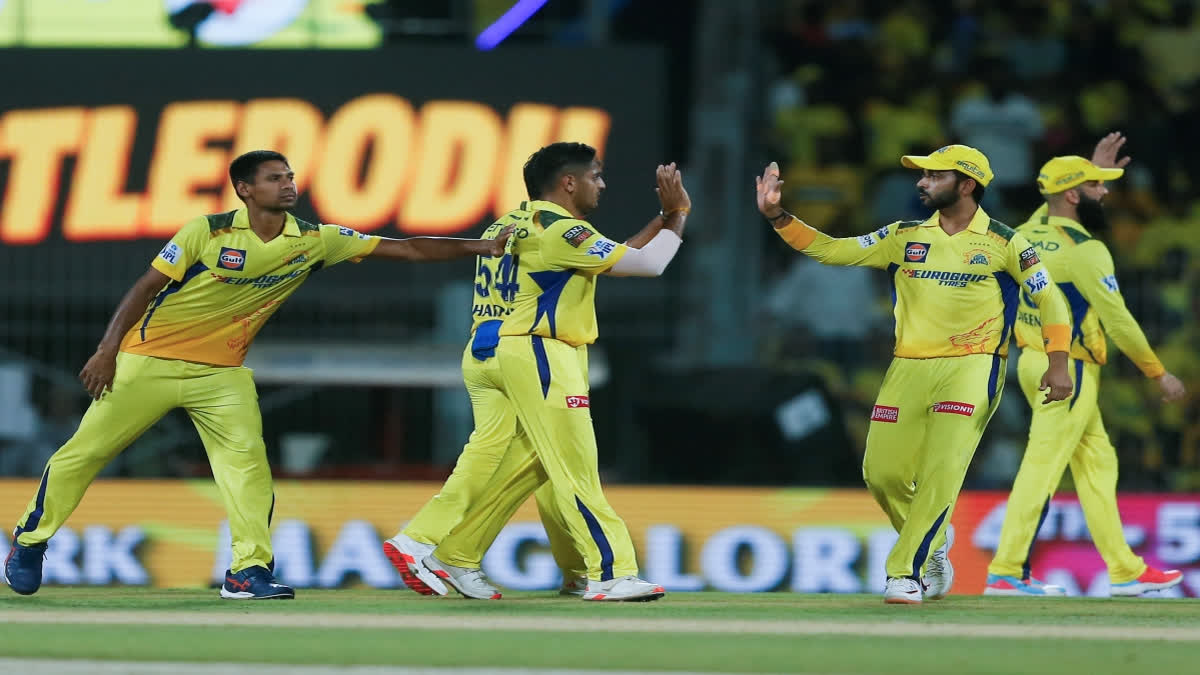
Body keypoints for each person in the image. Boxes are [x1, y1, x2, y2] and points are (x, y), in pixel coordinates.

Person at [2, 150, 511, 600]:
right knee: (84, 453)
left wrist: (480, 248)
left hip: (222, 373)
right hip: (148, 361)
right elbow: (144, 288)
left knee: (247, 470)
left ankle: (247, 571)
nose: (288, 184)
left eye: (289, 176)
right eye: (273, 178)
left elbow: (408, 248)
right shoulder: (208, 230)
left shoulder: (314, 240)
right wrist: (107, 349)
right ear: (244, 189)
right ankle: (29, 542)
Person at [756, 145, 1074, 604]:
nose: (921, 183)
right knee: (881, 474)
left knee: (941, 472)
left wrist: (1058, 361)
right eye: (922, 176)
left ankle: (904, 571)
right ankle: (933, 542)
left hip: (973, 365)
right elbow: (834, 251)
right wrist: (778, 216)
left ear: (967, 185)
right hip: (908, 365)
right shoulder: (902, 235)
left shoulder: (1007, 242)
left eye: (934, 176)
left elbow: (1050, 300)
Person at [383, 153, 687, 599]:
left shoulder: (511, 224)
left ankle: (454, 554)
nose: (601, 186)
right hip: (538, 352)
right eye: (595, 177)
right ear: (568, 183)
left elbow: (620, 255)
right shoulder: (562, 231)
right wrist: (679, 215)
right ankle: (610, 572)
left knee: (525, 461)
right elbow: (649, 265)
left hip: (490, 350)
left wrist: (661, 219)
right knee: (574, 466)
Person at [985, 134, 1188, 597]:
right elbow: (1120, 322)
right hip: (1067, 370)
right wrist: (1158, 373)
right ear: (1074, 196)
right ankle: (1006, 570)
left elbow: (1051, 201)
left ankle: (1124, 569)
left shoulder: (1029, 231)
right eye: (1097, 187)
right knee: (1043, 466)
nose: (1107, 194)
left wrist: (1088, 169)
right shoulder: (1086, 251)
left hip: (1033, 361)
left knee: (1098, 464)